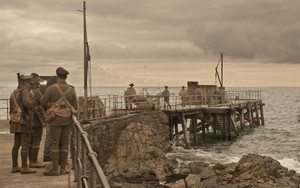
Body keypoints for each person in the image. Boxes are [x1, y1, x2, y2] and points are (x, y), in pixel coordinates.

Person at [42, 67, 78, 176]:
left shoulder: (51, 89)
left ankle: (55, 169)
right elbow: (75, 107)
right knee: (65, 145)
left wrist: (52, 106)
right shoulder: (71, 90)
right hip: (67, 120)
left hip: (54, 119)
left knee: (54, 144)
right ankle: (63, 169)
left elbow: (43, 103)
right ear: (66, 77)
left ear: (57, 76)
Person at [9, 75, 36, 174]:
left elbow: (11, 109)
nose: (30, 85)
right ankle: (24, 167)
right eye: (29, 83)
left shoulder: (13, 93)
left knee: (16, 144)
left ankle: (15, 166)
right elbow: (28, 104)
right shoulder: (25, 91)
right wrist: (32, 97)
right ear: (25, 83)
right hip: (24, 122)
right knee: (25, 144)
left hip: (15, 121)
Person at [28, 73, 46, 168]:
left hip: (28, 120)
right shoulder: (37, 92)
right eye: (38, 82)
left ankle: (30, 160)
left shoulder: (25, 91)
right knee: (36, 140)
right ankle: (34, 161)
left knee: (30, 141)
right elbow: (43, 102)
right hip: (36, 120)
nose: (39, 84)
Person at [43, 76, 57, 162]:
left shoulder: (47, 90)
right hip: (57, 115)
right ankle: (52, 155)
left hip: (48, 115)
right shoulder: (56, 89)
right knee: (56, 137)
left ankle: (47, 154)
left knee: (48, 136)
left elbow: (43, 102)